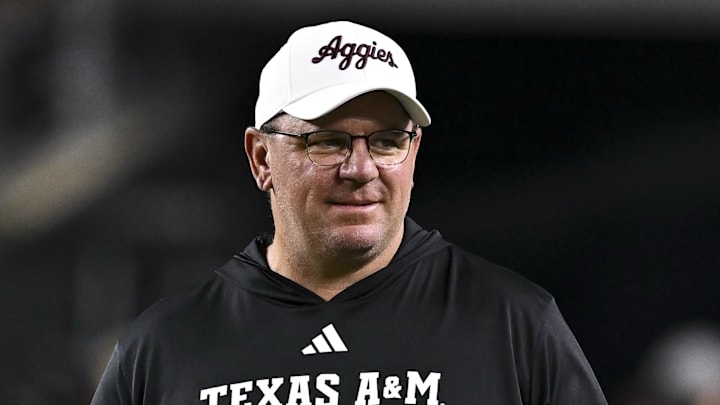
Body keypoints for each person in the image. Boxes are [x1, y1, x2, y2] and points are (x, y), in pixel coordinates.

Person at [91, 20, 608, 405]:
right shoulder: (163, 346)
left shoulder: (513, 323)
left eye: (386, 141)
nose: (361, 168)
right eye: (328, 141)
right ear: (261, 157)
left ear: (414, 153)